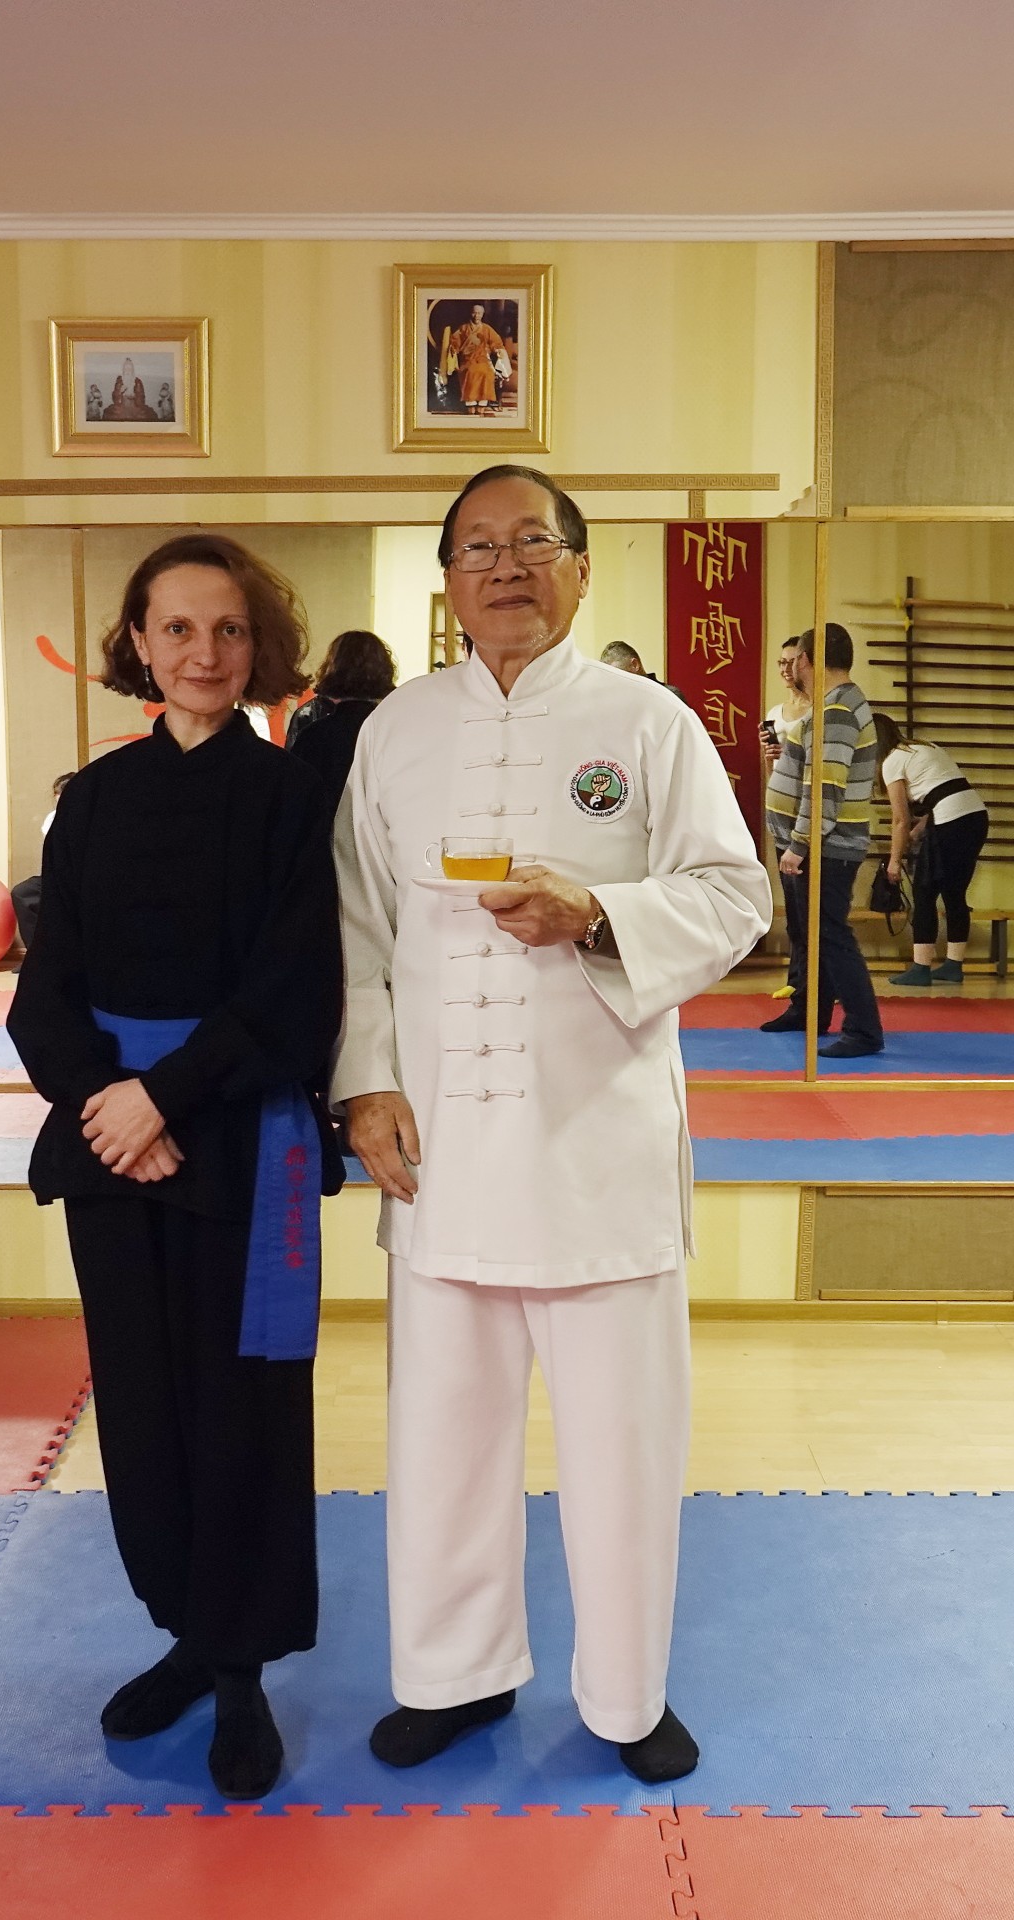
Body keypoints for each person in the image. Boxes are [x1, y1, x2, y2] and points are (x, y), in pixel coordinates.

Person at [331, 464, 772, 1786]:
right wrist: (366, 1083)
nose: (505, 567)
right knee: (441, 1439)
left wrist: (600, 914)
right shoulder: (397, 729)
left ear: (580, 568)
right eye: (477, 547)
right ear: (448, 581)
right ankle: (453, 1678)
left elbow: (734, 895)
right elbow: (357, 928)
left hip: (596, 1141)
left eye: (532, 542)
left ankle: (627, 1696)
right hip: (441, 1146)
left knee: (623, 1447)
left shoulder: (646, 721)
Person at [7, 534, 344, 1801]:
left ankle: (241, 1667)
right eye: (179, 629)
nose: (205, 653)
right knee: (142, 1404)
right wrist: (104, 1102)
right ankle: (188, 1637)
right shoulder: (93, 799)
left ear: (260, 648)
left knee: (239, 1407)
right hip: (112, 1145)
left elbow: (296, 985)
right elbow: (48, 984)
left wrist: (164, 1097)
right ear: (139, 645)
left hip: (234, 1132)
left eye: (230, 630)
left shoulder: (291, 795)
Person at [759, 624, 883, 1058]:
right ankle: (809, 1011)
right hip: (817, 842)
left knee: (830, 934)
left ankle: (864, 1030)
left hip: (827, 845)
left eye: (795, 659)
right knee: (809, 933)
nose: (791, 667)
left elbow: (825, 786)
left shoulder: (838, 711)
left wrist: (800, 844)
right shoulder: (830, 706)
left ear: (807, 660)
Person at [874, 713, 989, 986]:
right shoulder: (924, 746)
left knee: (923, 892)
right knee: (954, 892)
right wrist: (917, 833)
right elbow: (942, 794)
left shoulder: (892, 761)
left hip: (952, 820)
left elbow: (900, 819)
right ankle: (953, 965)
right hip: (976, 817)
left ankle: (921, 968)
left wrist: (894, 861)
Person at [286, 630, 397, 814]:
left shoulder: (312, 731)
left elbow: (292, 793)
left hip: (322, 827)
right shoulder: (393, 731)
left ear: (331, 669)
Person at [760, 637, 812, 1002]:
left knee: (810, 907)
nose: (785, 669)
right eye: (780, 662)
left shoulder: (817, 711)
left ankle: (818, 981)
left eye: (791, 661)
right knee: (793, 906)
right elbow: (772, 774)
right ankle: (797, 979)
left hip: (805, 816)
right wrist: (770, 757)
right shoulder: (776, 712)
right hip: (781, 818)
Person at [10, 772, 73, 956]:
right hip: (56, 877)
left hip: (83, 880)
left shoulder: (92, 817)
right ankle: (36, 957)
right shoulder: (52, 819)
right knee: (22, 893)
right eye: (57, 795)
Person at [449, 304, 507, 416]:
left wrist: (497, 350)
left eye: (479, 313)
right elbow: (455, 341)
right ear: (471, 313)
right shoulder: (463, 328)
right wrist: (454, 349)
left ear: (482, 314)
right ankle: (470, 404)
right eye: (474, 313)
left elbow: (496, 342)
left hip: (483, 359)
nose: (476, 315)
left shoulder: (487, 329)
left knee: (487, 373)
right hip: (467, 360)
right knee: (470, 372)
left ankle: (482, 404)